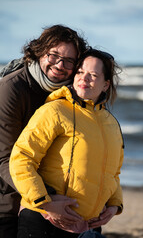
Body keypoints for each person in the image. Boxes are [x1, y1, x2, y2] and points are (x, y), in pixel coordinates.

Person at [9, 48, 124, 238]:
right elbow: (21, 158)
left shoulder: (111, 123)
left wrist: (114, 205)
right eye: (80, 72)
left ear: (105, 85)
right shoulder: (54, 111)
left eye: (93, 75)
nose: (83, 79)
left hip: (88, 225)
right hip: (44, 221)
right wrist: (45, 204)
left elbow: (113, 173)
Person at [0, 24, 88, 238]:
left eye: (69, 61)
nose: (60, 65)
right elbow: (4, 159)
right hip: (10, 201)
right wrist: (46, 198)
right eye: (54, 55)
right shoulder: (12, 89)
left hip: (60, 198)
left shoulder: (74, 93)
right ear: (39, 52)